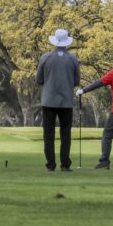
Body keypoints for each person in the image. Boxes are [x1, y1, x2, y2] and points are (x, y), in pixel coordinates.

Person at [36, 29, 81, 172]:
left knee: (48, 134)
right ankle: (65, 165)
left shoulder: (45, 58)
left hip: (48, 101)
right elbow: (76, 81)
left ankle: (50, 164)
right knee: (65, 134)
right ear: (67, 42)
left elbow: (39, 79)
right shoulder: (73, 59)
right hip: (66, 101)